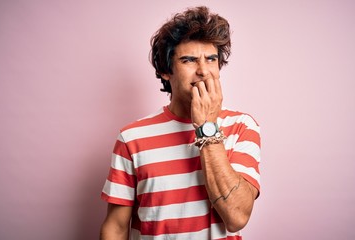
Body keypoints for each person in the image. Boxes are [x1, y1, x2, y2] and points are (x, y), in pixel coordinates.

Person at [100, 6, 261, 240]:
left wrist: (207, 126)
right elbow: (115, 227)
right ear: (166, 70)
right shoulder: (131, 138)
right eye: (189, 60)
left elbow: (236, 217)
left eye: (211, 59)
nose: (203, 71)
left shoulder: (242, 126)